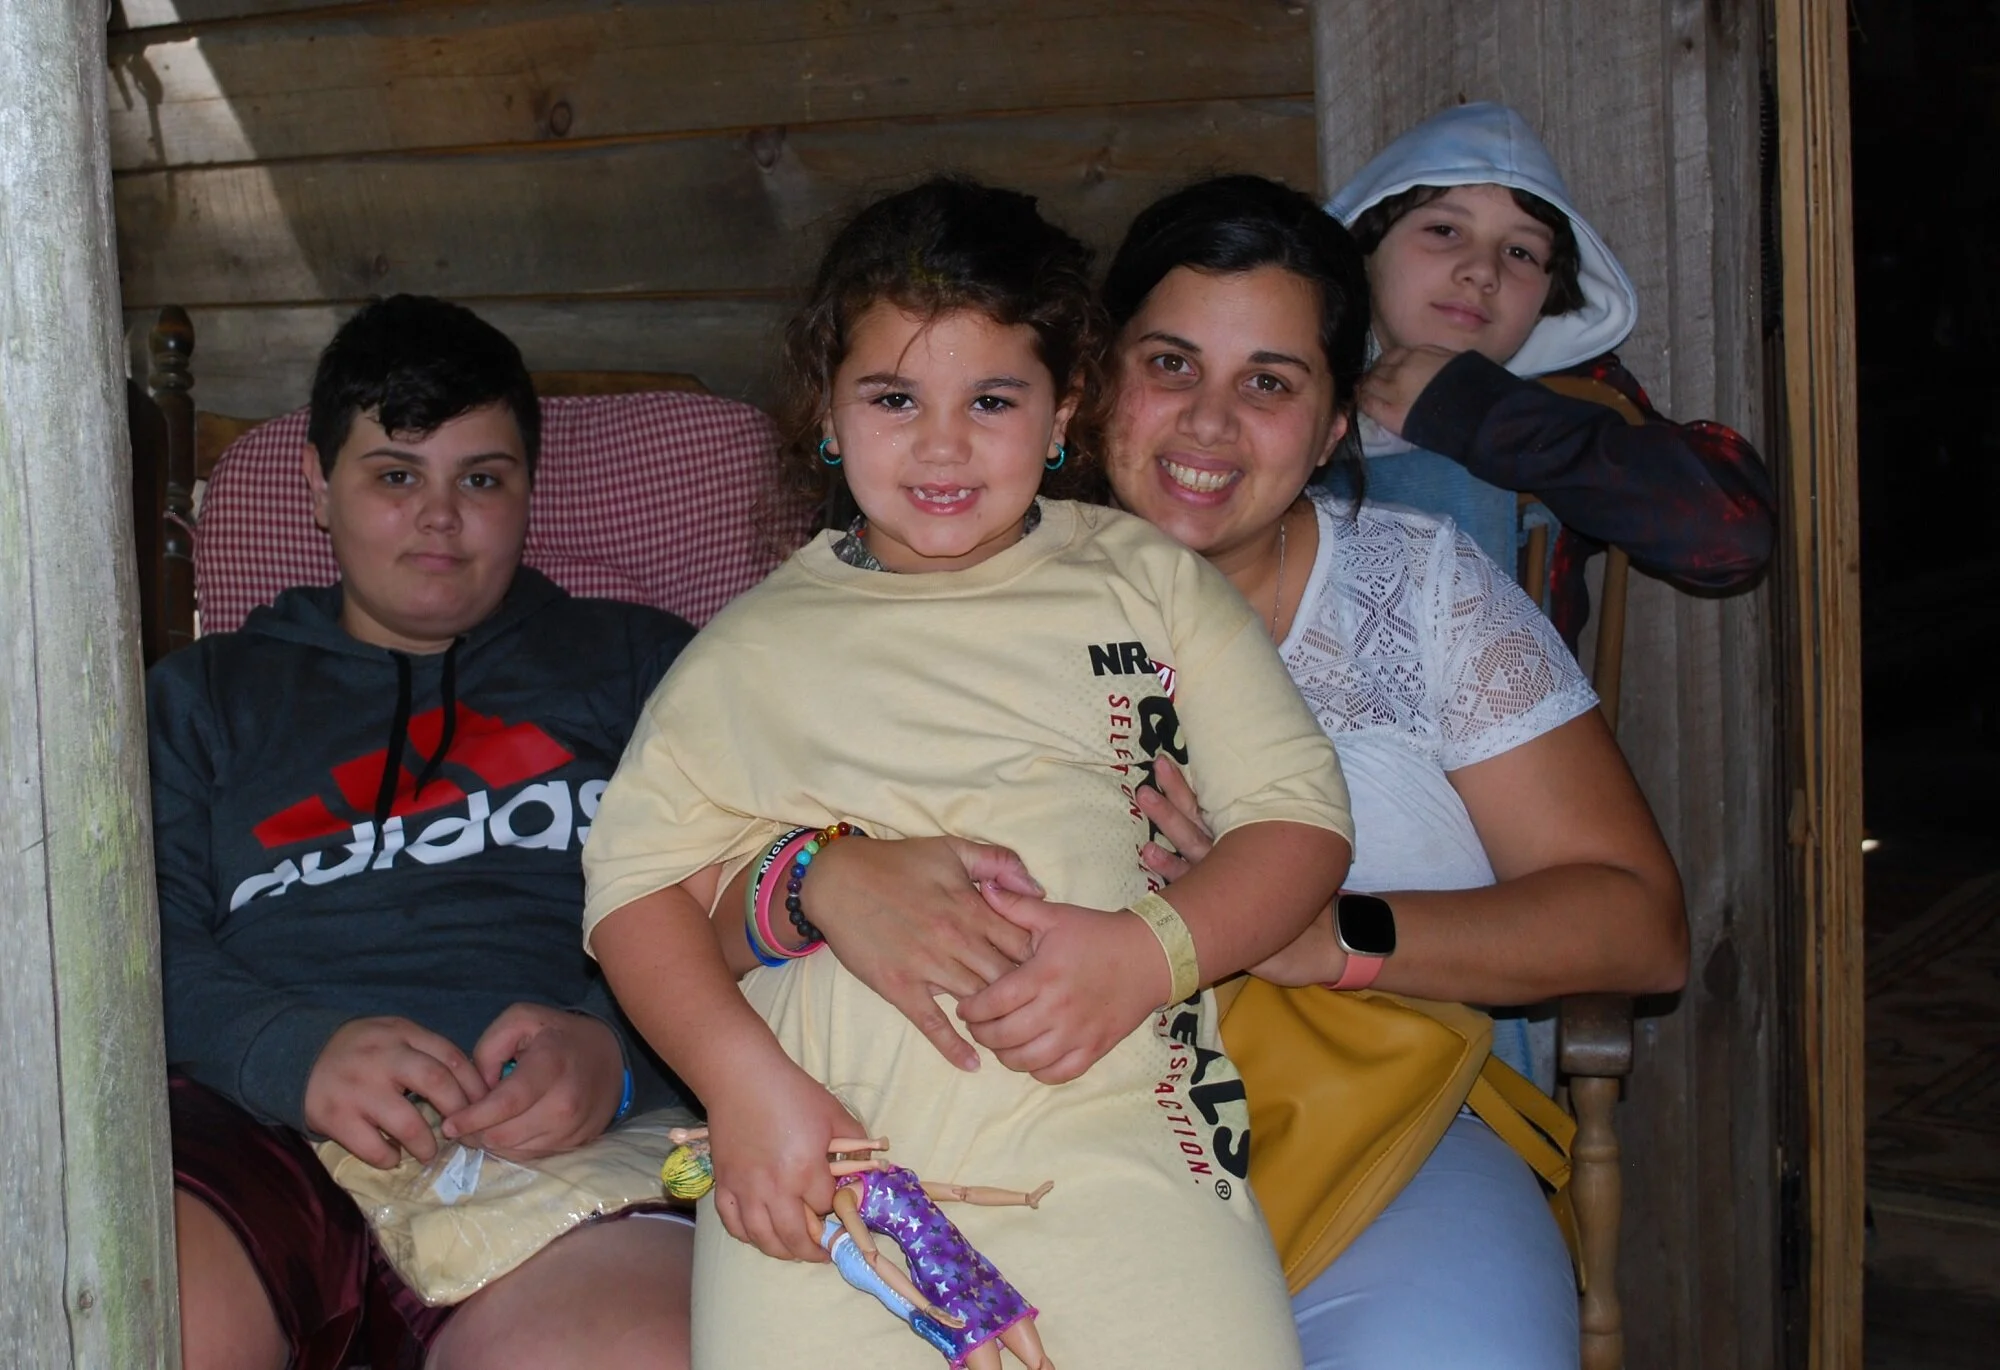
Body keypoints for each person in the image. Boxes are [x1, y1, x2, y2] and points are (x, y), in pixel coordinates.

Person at [781, 176, 1689, 1370]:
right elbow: (717, 829)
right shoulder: (941, 557)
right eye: (1169, 365)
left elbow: (1635, 922)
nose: (1207, 424)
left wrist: (1321, 934)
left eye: (1268, 382)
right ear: (1094, 385)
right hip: (1020, 1130)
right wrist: (820, 877)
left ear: (1328, 428)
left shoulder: (1413, 591)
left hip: (1370, 1121)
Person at [581, 177, 1354, 1369]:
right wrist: (744, 1093)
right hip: (825, 1186)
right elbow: (633, 892)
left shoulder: (1145, 581)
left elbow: (1300, 818)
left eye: (991, 398)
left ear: (1063, 412)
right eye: (893, 396)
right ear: (826, 413)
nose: (940, 444)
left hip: (1127, 1160)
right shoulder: (744, 649)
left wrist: (1148, 948)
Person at [149, 294, 700, 1370]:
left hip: (569, 1136)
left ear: (527, 494)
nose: (439, 518)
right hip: (251, 1119)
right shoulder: (203, 695)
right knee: (143, 1324)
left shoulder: (642, 663)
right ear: (318, 487)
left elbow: (734, 895)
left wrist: (621, 1050)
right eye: (395, 474)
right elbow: (128, 944)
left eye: (480, 479)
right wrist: (287, 1049)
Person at [1326, 100, 1774, 645]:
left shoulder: (1564, 396)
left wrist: (1475, 412)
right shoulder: (1299, 381)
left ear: (1548, 290)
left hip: (1514, 723)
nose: (1482, 271)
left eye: (1519, 251)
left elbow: (1732, 532)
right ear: (1365, 246)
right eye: (1445, 229)